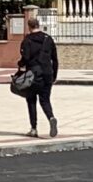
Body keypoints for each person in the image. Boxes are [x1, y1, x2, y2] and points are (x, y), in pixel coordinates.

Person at [17, 8, 60, 138]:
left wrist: (19, 65)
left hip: (33, 74)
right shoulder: (48, 39)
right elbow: (55, 59)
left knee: (31, 100)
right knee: (45, 100)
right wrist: (54, 76)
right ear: (38, 25)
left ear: (29, 27)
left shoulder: (27, 41)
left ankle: (34, 128)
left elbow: (25, 58)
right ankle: (51, 117)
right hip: (47, 73)